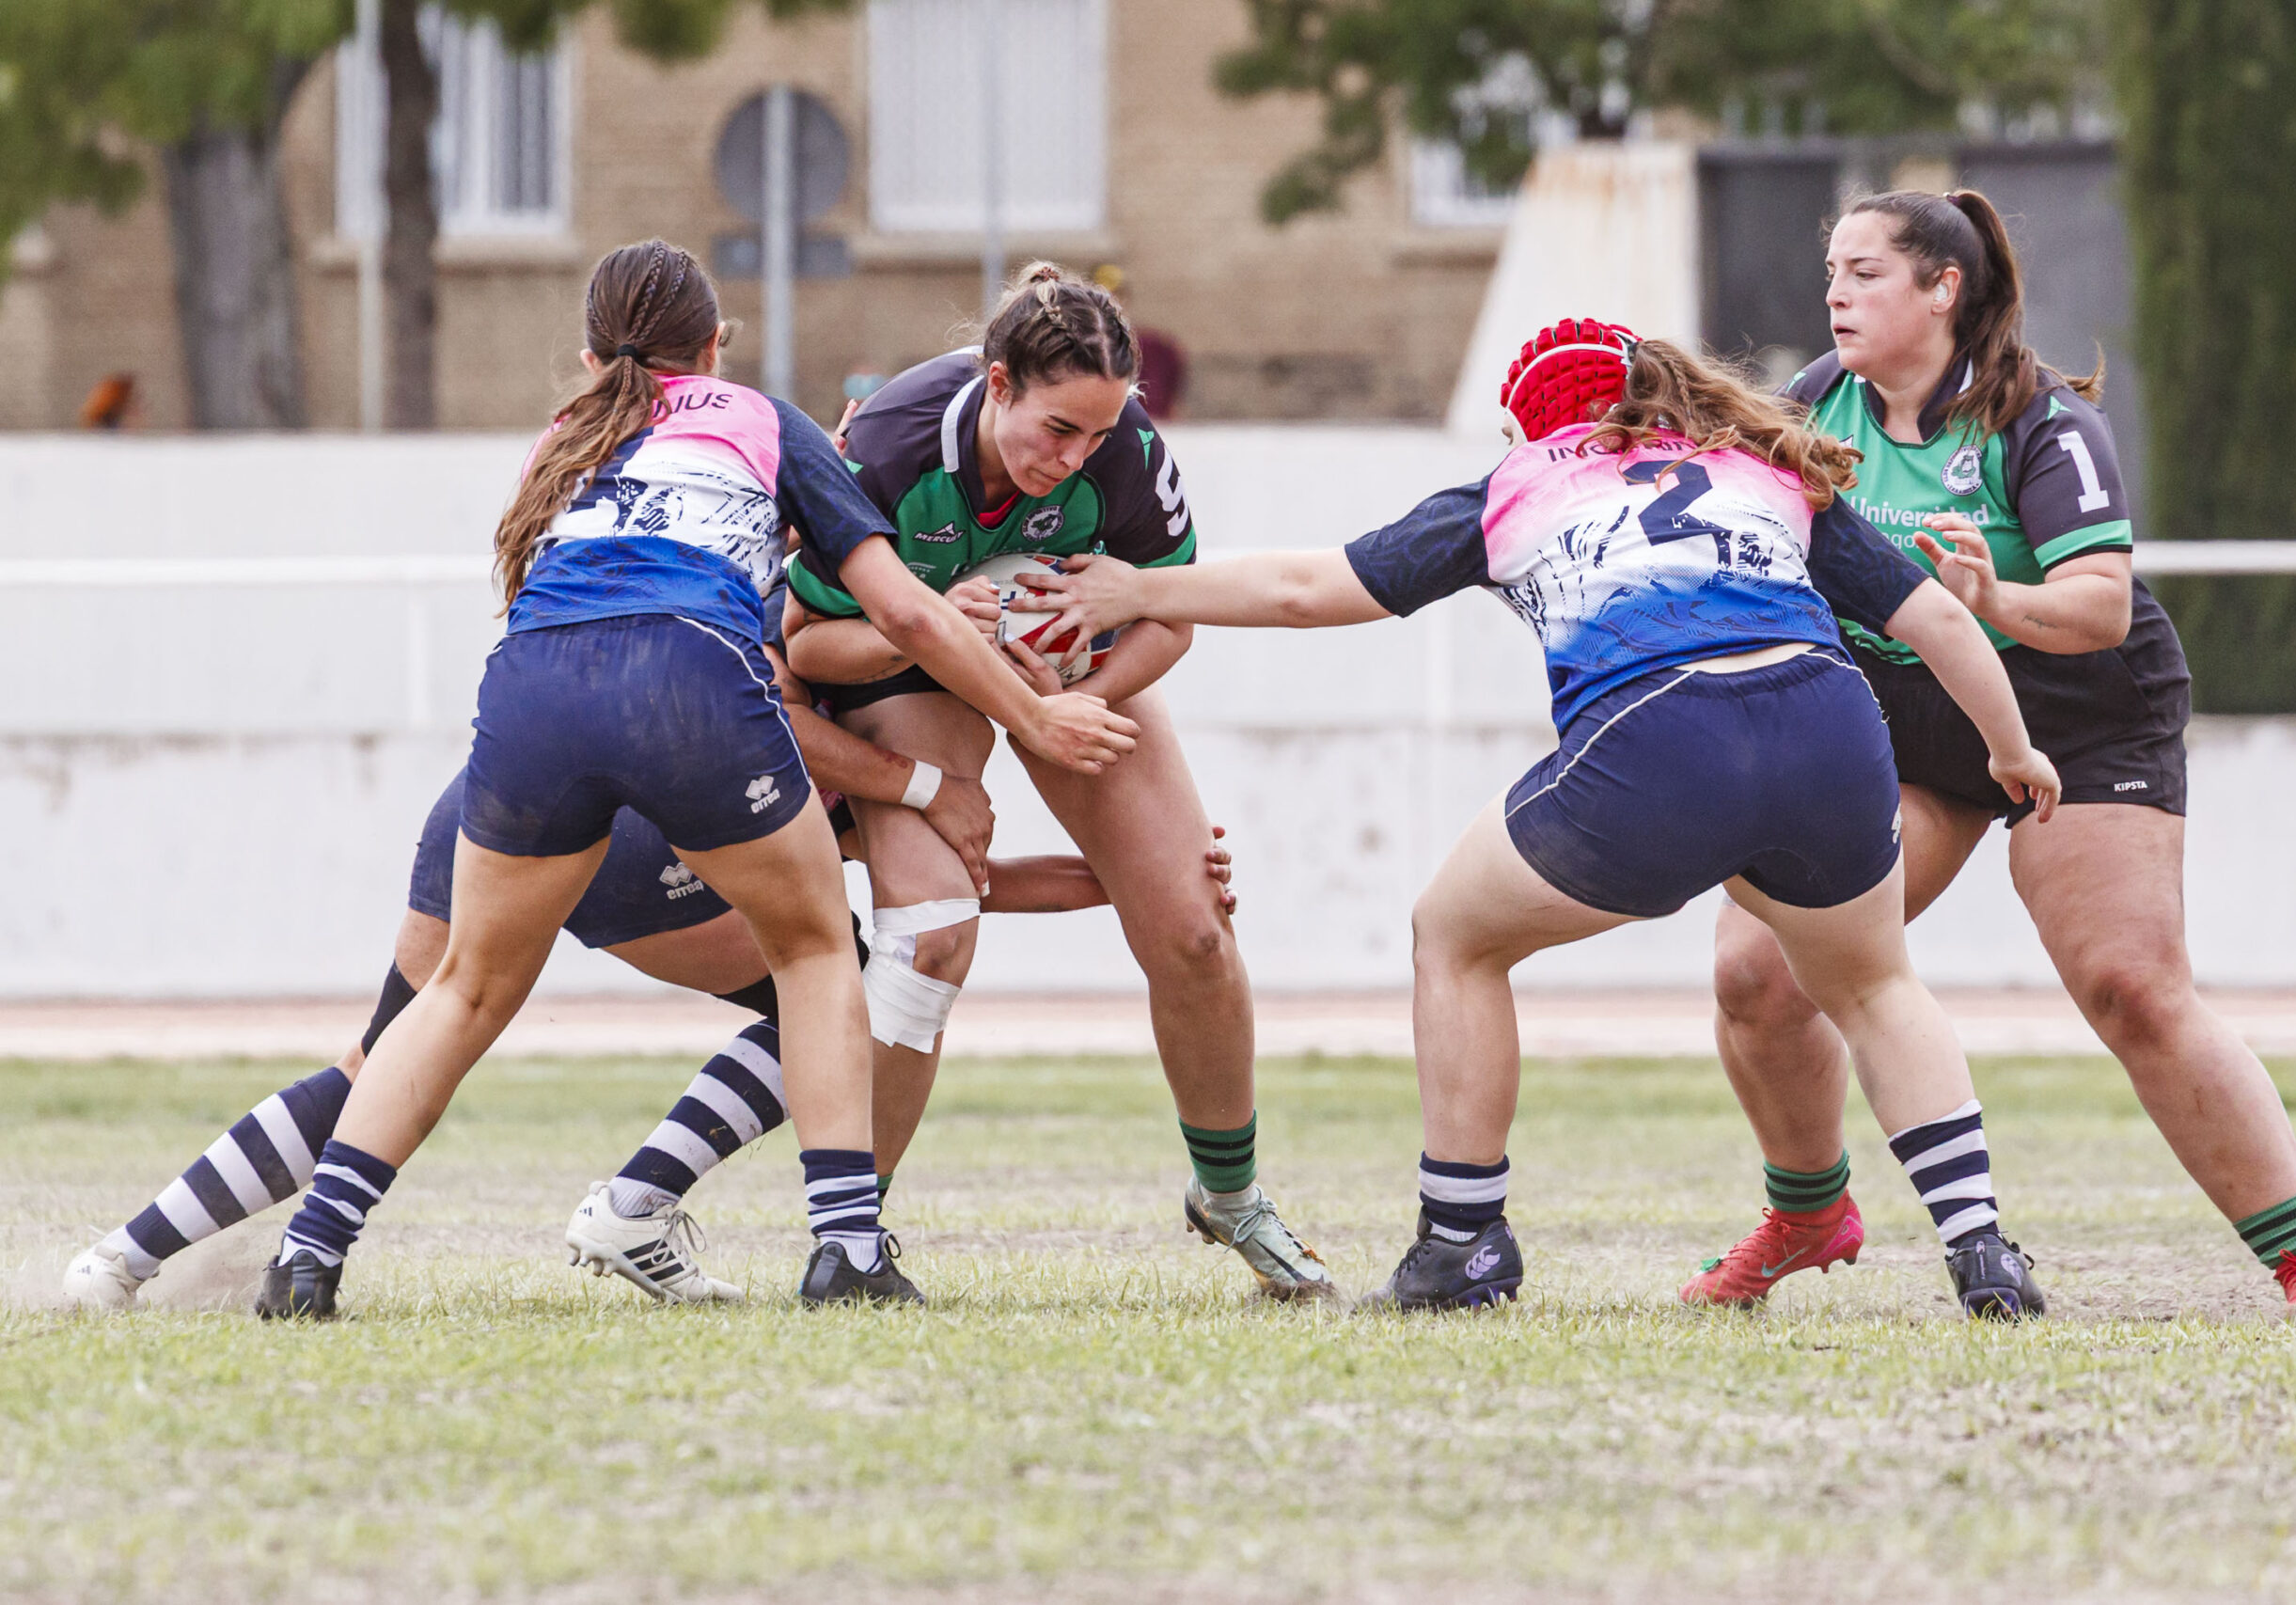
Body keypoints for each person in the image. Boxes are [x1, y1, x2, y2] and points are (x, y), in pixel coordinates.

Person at [1030, 320, 2065, 1317]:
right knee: (1875, 984)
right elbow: (1932, 615)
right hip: (1829, 723)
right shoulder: (1762, 469)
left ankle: (1462, 1237)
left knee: (1455, 936)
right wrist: (2011, 749)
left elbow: (1307, 589)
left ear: (1529, 421)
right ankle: (1979, 1244)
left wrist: (1139, 589)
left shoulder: (1518, 485)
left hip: (1662, 734)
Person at [248, 239, 1137, 1321]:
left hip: (530, 687)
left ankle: (307, 1254)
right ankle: (846, 1248)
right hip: (688, 679)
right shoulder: (760, 418)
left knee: (465, 990)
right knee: (817, 955)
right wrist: (1032, 710)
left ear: (590, 360)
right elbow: (903, 612)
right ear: (717, 345)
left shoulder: (564, 439)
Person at [1695, 190, 2296, 1321]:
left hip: (2074, 704)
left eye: (1864, 274)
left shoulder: (2037, 421)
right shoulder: (1815, 407)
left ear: (1940, 289)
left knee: (2130, 986)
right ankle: (1808, 1211)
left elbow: (2099, 609)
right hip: (1913, 708)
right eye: (1831, 272)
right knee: (1758, 971)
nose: (1834, 293)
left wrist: (1989, 595)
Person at [783, 262, 1335, 1300]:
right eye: (1055, 430)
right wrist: (944, 619)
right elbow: (808, 647)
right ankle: (852, 1237)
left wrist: (1085, 682)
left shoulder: (1124, 449)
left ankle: (1230, 1195)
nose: (1076, 457)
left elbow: (1170, 613)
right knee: (931, 935)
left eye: (1098, 432)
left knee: (1192, 924)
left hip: (1072, 672)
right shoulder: (893, 444)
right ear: (996, 386)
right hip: (906, 665)